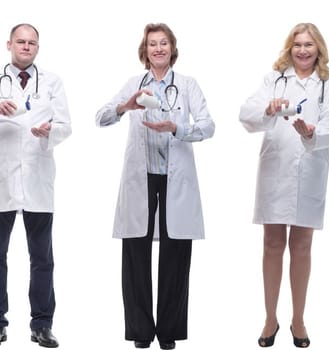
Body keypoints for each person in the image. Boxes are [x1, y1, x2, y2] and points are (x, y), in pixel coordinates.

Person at [95, 23, 214, 350]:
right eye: (152, 44)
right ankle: (141, 332)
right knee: (135, 254)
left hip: (176, 177)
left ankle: (169, 333)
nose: (158, 49)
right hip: (141, 176)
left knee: (176, 256)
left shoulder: (188, 86)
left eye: (163, 43)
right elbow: (101, 116)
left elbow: (207, 126)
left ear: (172, 48)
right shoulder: (134, 85)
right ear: (144, 50)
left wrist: (176, 128)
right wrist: (125, 107)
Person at [0, 23, 71, 349]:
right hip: (1, 183)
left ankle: (42, 325)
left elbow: (66, 125)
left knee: (42, 259)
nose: (26, 47)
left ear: (38, 47)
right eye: (21, 42)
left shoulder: (52, 82)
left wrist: (50, 131)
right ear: (9, 44)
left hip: (38, 180)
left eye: (32, 43)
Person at [239, 23, 329, 349]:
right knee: (272, 245)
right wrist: (267, 108)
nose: (302, 50)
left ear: (318, 49)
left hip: (310, 171)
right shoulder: (275, 79)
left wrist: (312, 132)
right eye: (297, 44)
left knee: (301, 247)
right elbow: (246, 114)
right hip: (275, 169)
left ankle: (298, 319)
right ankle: (271, 318)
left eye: (309, 45)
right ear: (289, 47)